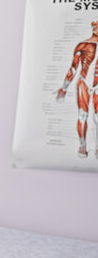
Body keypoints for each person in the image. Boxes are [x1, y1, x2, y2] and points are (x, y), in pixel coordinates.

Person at [56, 20, 98, 159]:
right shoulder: (83, 45)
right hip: (84, 83)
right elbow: (73, 68)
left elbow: (73, 68)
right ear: (93, 27)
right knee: (83, 115)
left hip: (93, 84)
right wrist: (64, 88)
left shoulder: (83, 45)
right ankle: (82, 145)